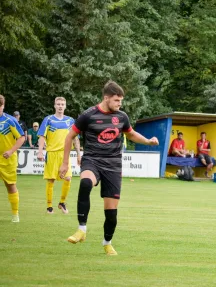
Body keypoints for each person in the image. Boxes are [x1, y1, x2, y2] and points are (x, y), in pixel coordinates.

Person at [59, 81, 159, 256]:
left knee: (111, 212)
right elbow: (70, 137)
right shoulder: (88, 115)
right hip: (92, 160)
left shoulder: (121, 117)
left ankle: (107, 243)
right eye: (116, 100)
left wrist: (148, 141)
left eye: (120, 100)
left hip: (113, 165)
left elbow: (131, 133)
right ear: (106, 98)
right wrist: (65, 162)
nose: (120, 104)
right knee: (85, 184)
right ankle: (81, 229)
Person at [37, 97, 81, 214]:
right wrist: (40, 151)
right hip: (51, 153)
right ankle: (49, 206)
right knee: (51, 180)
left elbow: (75, 138)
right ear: (54, 106)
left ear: (65, 106)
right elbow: (42, 136)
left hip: (65, 154)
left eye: (62, 104)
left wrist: (78, 154)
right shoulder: (48, 119)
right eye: (58, 104)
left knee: (68, 178)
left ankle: (62, 203)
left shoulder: (70, 121)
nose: (60, 106)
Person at [0, 95, 25, 222]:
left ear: (3, 106)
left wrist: (10, 151)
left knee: (10, 185)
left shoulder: (10, 120)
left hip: (7, 159)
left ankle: (15, 214)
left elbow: (22, 137)